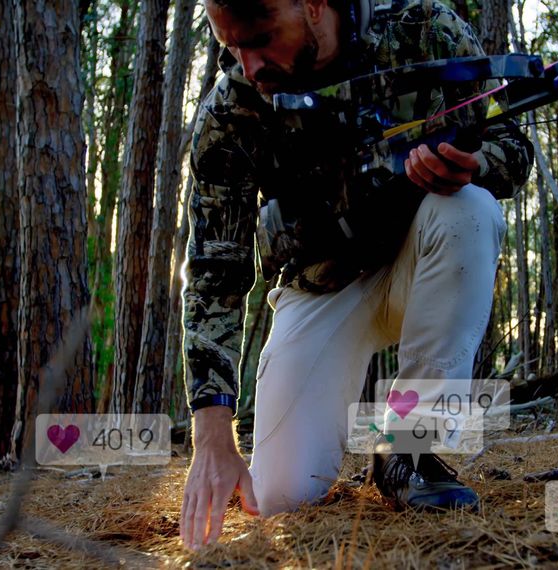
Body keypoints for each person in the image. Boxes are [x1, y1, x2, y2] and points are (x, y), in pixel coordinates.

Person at [179, 0, 533, 550]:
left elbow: (512, 146)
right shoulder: (233, 107)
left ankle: (407, 447)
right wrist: (212, 437)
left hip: (422, 259)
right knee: (283, 496)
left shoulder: (423, 30)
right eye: (232, 47)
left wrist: (474, 165)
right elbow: (214, 268)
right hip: (319, 288)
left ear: (314, 4)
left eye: (262, 38)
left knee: (471, 211)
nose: (249, 65)